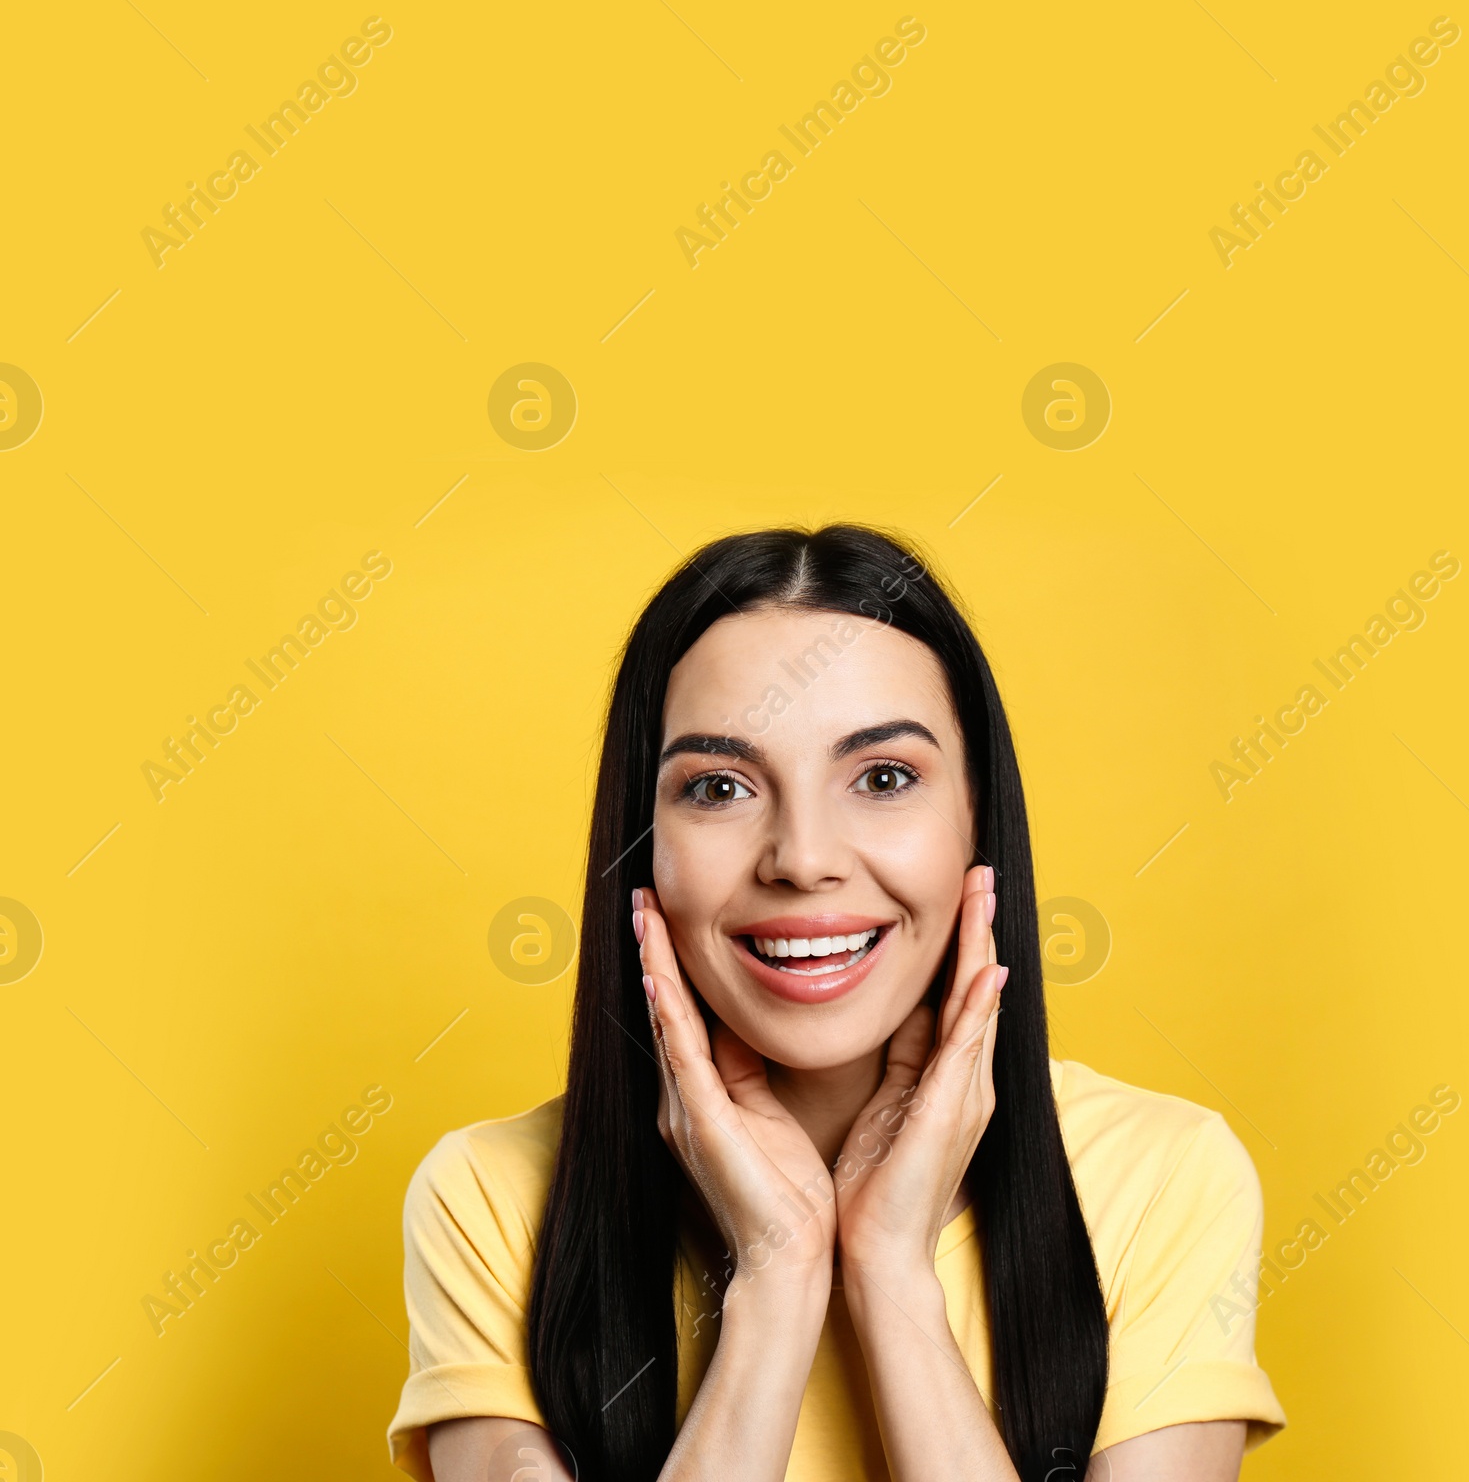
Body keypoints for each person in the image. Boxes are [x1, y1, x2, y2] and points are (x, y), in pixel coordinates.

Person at [388, 525, 1285, 1481]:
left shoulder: (1161, 1182)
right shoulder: (492, 1201)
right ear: (640, 842)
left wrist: (892, 1270)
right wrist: (778, 1276)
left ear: (978, 821)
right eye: (721, 787)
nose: (803, 858)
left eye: (884, 777)